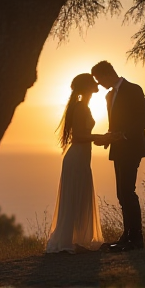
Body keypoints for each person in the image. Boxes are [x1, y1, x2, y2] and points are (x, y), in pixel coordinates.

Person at [91, 61, 145, 251]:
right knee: (121, 193)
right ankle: (127, 236)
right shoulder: (109, 96)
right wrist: (108, 138)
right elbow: (115, 124)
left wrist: (124, 134)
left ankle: (136, 239)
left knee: (128, 192)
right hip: (118, 150)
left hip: (132, 148)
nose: (99, 85)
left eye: (99, 79)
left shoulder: (133, 89)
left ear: (108, 74)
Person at [46, 73, 105, 254]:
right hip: (77, 157)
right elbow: (79, 137)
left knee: (79, 197)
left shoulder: (83, 106)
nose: (97, 84)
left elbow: (83, 136)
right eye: (93, 82)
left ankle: (76, 240)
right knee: (74, 197)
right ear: (87, 87)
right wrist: (100, 137)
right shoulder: (81, 108)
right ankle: (67, 242)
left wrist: (101, 138)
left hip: (81, 157)